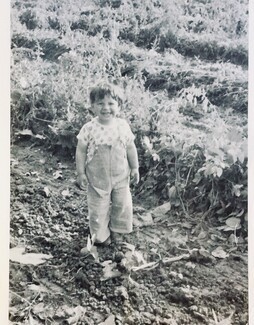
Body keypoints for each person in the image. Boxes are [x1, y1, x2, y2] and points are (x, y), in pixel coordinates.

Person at [75, 82, 139, 246]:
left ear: (119, 106)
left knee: (122, 204)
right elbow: (81, 151)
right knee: (98, 207)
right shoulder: (89, 128)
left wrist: (135, 167)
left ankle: (118, 230)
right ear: (93, 107)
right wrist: (81, 173)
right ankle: (101, 236)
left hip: (120, 175)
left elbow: (131, 147)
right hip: (97, 178)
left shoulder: (122, 126)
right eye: (100, 103)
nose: (106, 108)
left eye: (111, 103)